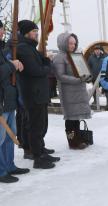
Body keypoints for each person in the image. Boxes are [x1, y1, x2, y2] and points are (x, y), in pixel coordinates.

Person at [16, 20, 60, 169]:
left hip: (39, 93)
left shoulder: (31, 48)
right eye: (35, 31)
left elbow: (43, 63)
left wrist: (45, 62)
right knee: (35, 127)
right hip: (33, 94)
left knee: (40, 125)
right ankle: (37, 157)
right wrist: (47, 65)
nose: (37, 33)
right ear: (27, 33)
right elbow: (36, 71)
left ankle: (41, 150)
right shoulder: (23, 48)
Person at [0, 20, 30, 183]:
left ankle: (9, 165)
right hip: (1, 101)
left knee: (10, 136)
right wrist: (12, 65)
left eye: (2, 28)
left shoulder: (2, 49)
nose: (1, 31)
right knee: (0, 137)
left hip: (8, 99)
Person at [53, 32, 92, 150]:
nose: (72, 46)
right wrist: (78, 80)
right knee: (70, 119)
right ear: (63, 43)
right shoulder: (59, 57)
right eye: (70, 43)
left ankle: (78, 138)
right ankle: (72, 141)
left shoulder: (75, 56)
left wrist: (87, 76)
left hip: (78, 91)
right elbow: (60, 76)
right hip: (68, 93)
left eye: (74, 43)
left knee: (76, 118)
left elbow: (82, 71)